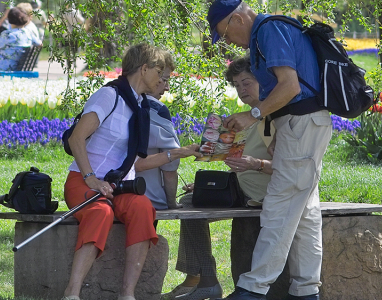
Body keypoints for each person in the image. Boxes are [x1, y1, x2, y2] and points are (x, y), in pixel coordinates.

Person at [208, 1, 333, 300]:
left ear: (236, 19)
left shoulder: (268, 31)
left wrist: (253, 115)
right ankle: (305, 292)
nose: (227, 42)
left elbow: (289, 87)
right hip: (299, 124)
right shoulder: (269, 30)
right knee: (305, 215)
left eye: (224, 34)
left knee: (279, 204)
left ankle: (252, 289)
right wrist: (274, 123)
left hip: (303, 123)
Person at [62, 43, 179, 300]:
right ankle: (72, 292)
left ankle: (127, 294)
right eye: (160, 72)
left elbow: (135, 163)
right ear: (144, 68)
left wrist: (178, 153)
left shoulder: (140, 107)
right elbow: (76, 139)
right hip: (83, 182)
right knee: (100, 211)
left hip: (116, 186)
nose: (163, 80)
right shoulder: (109, 96)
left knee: (143, 208)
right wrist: (90, 178)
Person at [162, 56, 274, 300]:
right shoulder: (243, 120)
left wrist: (256, 164)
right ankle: (201, 279)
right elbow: (240, 166)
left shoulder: (273, 117)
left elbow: (290, 167)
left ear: (262, 81)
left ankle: (204, 280)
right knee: (193, 200)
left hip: (263, 195)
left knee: (192, 207)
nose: (241, 89)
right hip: (241, 189)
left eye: (247, 82)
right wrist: (212, 186)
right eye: (236, 84)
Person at [136, 51, 202, 210]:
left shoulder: (117, 100)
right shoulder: (157, 110)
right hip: (147, 196)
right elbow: (170, 166)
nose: (166, 87)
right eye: (163, 79)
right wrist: (171, 202)